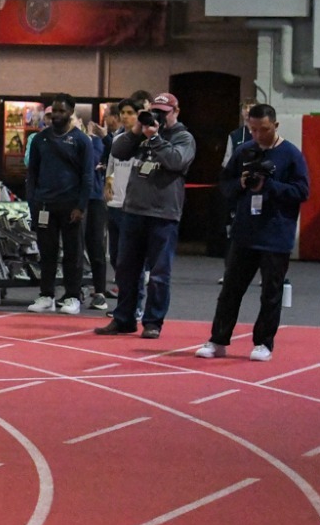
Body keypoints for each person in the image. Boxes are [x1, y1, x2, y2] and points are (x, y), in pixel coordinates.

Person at [198, 104, 308, 362]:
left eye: (264, 129)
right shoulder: (243, 151)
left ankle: (264, 343)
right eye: (253, 129)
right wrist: (242, 183)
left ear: (276, 126)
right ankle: (218, 340)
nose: (258, 135)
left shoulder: (291, 154)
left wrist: (270, 186)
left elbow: (302, 192)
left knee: (271, 292)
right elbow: (225, 185)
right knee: (230, 291)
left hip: (276, 235)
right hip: (244, 233)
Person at [98, 93, 194, 340]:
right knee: (126, 270)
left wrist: (156, 138)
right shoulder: (141, 135)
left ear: (176, 111)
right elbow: (118, 151)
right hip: (134, 210)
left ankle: (153, 322)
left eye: (164, 112)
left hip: (163, 214)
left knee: (159, 273)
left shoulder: (183, 137)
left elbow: (176, 160)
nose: (159, 116)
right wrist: (137, 131)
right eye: (156, 111)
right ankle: (124, 319)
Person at [25, 94, 93, 317]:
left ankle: (73, 296)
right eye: (54, 111)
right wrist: (33, 203)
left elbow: (87, 176)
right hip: (45, 205)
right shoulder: (40, 140)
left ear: (71, 112)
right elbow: (32, 173)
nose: (56, 115)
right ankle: (47, 295)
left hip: (71, 206)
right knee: (47, 252)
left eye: (62, 111)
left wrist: (80, 206)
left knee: (73, 254)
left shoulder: (82, 141)